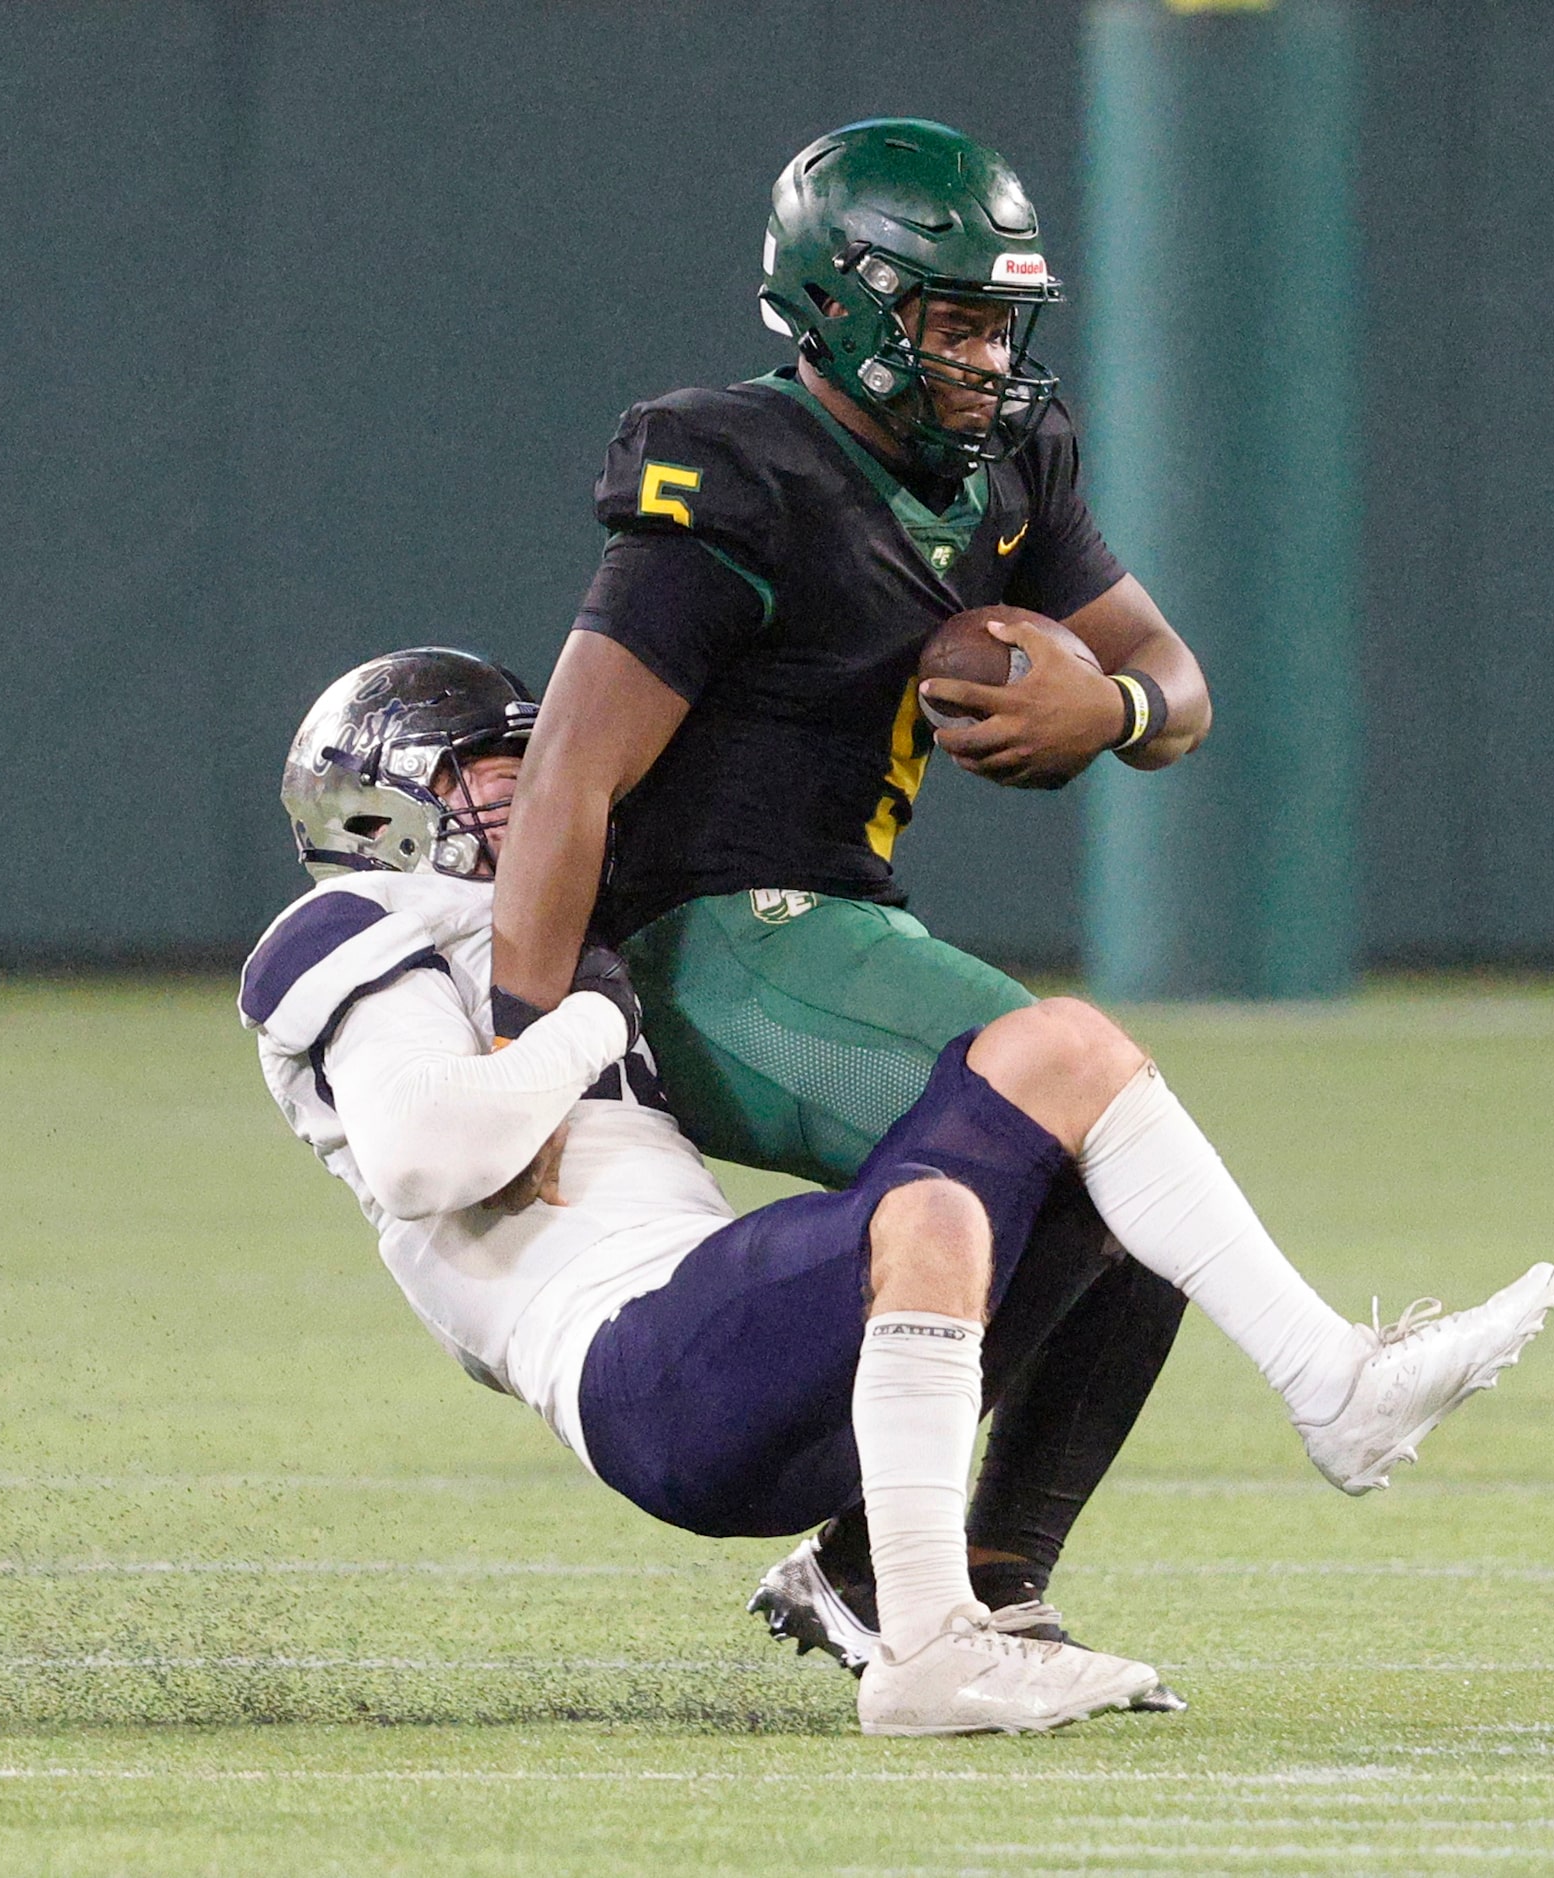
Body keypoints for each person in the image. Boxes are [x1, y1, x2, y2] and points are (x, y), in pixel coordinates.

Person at [243, 650, 1554, 1737]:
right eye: (492, 775)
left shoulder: (553, 931)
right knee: (932, 1212)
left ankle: (942, 1566)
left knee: (1093, 1124)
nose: (532, 797)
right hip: (641, 1368)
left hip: (753, 1368)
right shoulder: (348, 928)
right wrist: (588, 1018)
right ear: (378, 813)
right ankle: (931, 1650)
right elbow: (426, 1155)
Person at [489, 118, 1215, 1671]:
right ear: (842, 306)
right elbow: (567, 780)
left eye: (999, 326)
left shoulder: (1011, 462)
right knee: (1091, 1141)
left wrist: (1122, 715)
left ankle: (983, 1575)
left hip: (844, 926)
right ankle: (879, 1572)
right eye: (950, 324)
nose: (983, 363)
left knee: (1138, 1166)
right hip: (706, 949)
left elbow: (1175, 677)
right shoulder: (736, 470)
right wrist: (526, 1063)